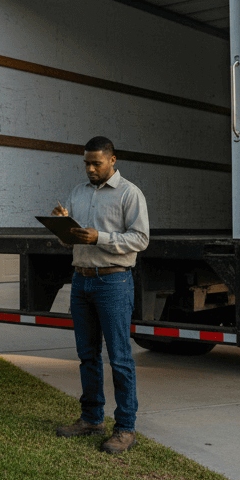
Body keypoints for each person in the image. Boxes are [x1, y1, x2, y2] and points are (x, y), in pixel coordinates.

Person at [51, 135, 150, 454]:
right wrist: (63, 226)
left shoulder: (129, 193)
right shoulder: (78, 192)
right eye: (86, 163)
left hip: (113, 283)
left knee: (120, 357)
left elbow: (140, 239)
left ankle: (125, 428)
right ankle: (91, 419)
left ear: (113, 160)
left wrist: (100, 238)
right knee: (87, 355)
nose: (90, 169)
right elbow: (73, 241)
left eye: (96, 163)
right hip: (81, 281)